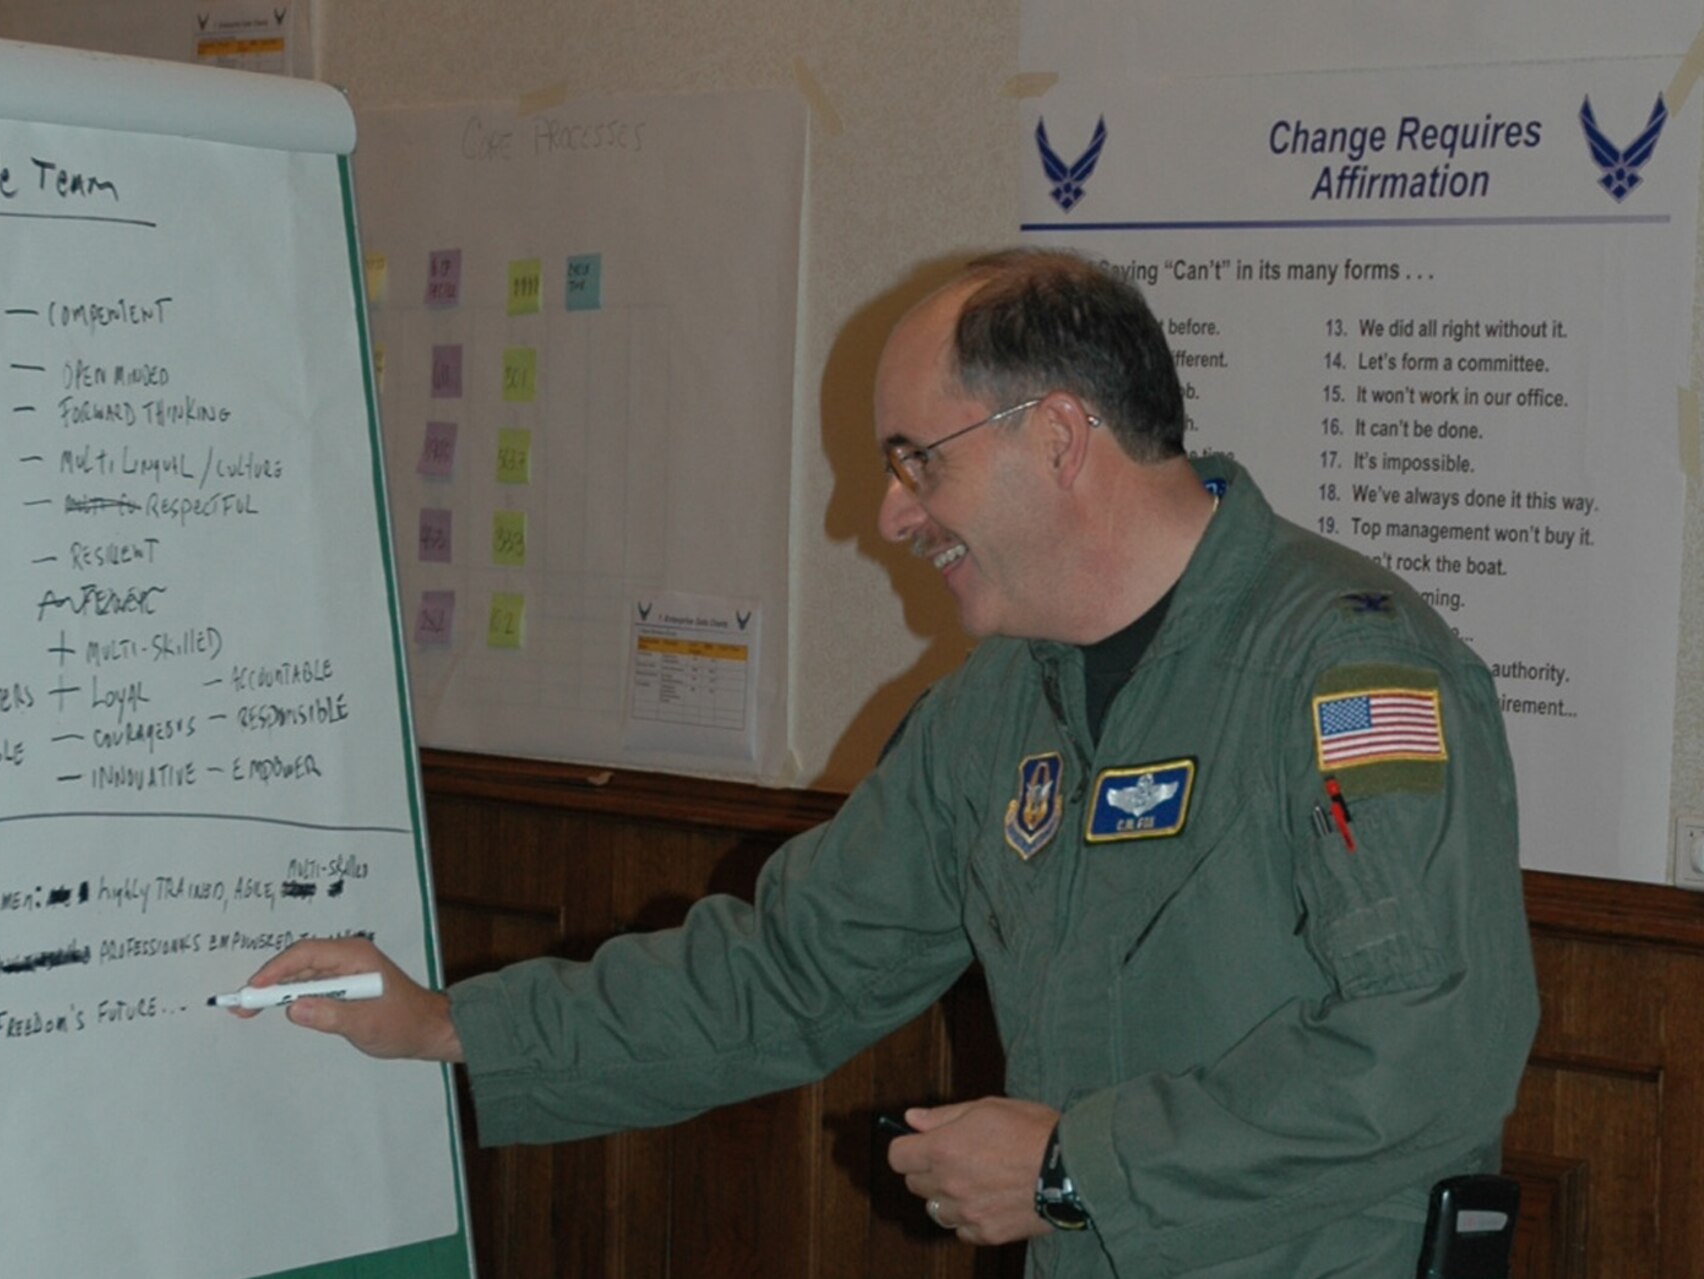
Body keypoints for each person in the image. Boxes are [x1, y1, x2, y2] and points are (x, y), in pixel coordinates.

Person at [238, 248, 1539, 1277]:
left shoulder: (1346, 667)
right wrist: (445, 1025)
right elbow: (792, 975)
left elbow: (1427, 1053)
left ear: (1060, 436)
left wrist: (1076, 1167)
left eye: (917, 460)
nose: (890, 515)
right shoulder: (995, 712)